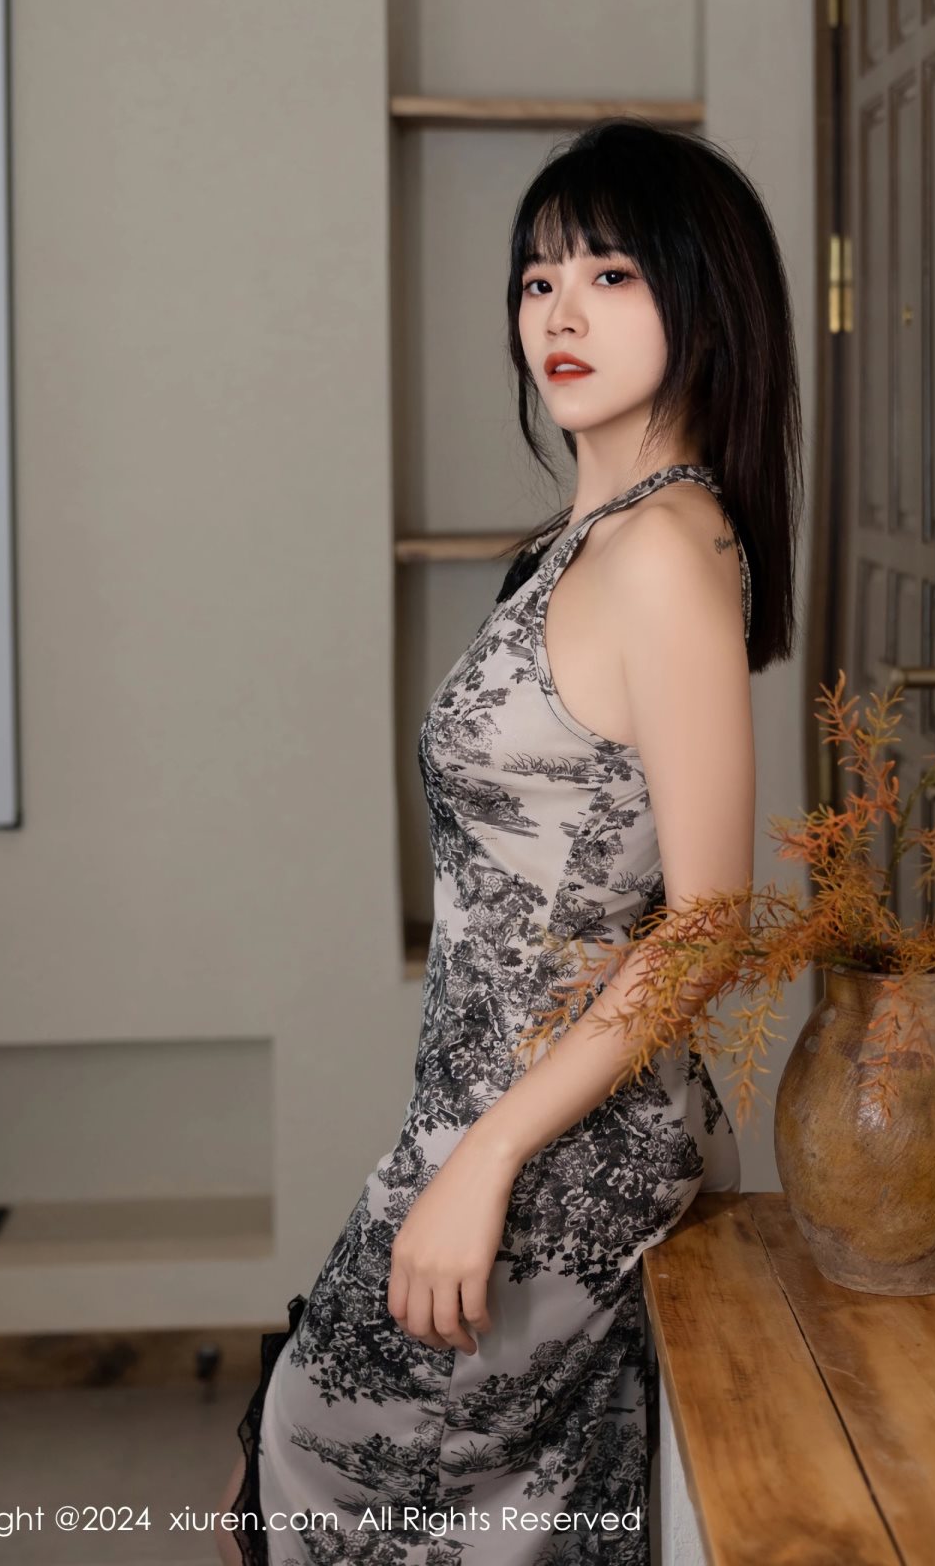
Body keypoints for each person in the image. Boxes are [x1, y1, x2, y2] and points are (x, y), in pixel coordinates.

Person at [213, 117, 802, 1566]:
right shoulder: (574, 546)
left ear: (703, 301)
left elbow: (709, 927)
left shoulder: (663, 555)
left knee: (307, 1470)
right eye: (538, 281)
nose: (560, 313)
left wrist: (483, 1165)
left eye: (610, 274)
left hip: (555, 1154)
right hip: (490, 1115)